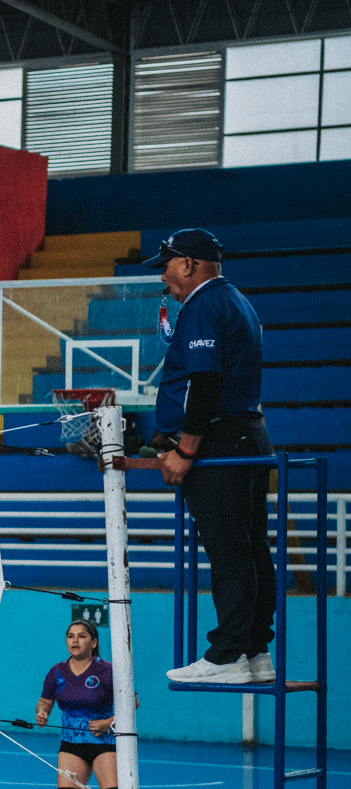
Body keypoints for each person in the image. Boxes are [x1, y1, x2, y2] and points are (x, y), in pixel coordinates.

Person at [148, 228, 276, 685]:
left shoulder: (204, 306)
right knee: (251, 548)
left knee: (229, 552)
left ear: (188, 264)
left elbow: (204, 383)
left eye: (166, 265)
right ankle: (256, 651)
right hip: (247, 436)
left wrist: (185, 449)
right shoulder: (237, 300)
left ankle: (226, 655)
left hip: (220, 443)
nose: (163, 276)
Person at [35, 620, 151, 789]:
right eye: (70, 636)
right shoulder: (57, 672)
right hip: (71, 744)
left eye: (81, 636)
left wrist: (109, 722)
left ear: (94, 642)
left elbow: (133, 702)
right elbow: (45, 701)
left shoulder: (108, 670)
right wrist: (42, 713)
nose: (75, 641)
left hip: (103, 744)